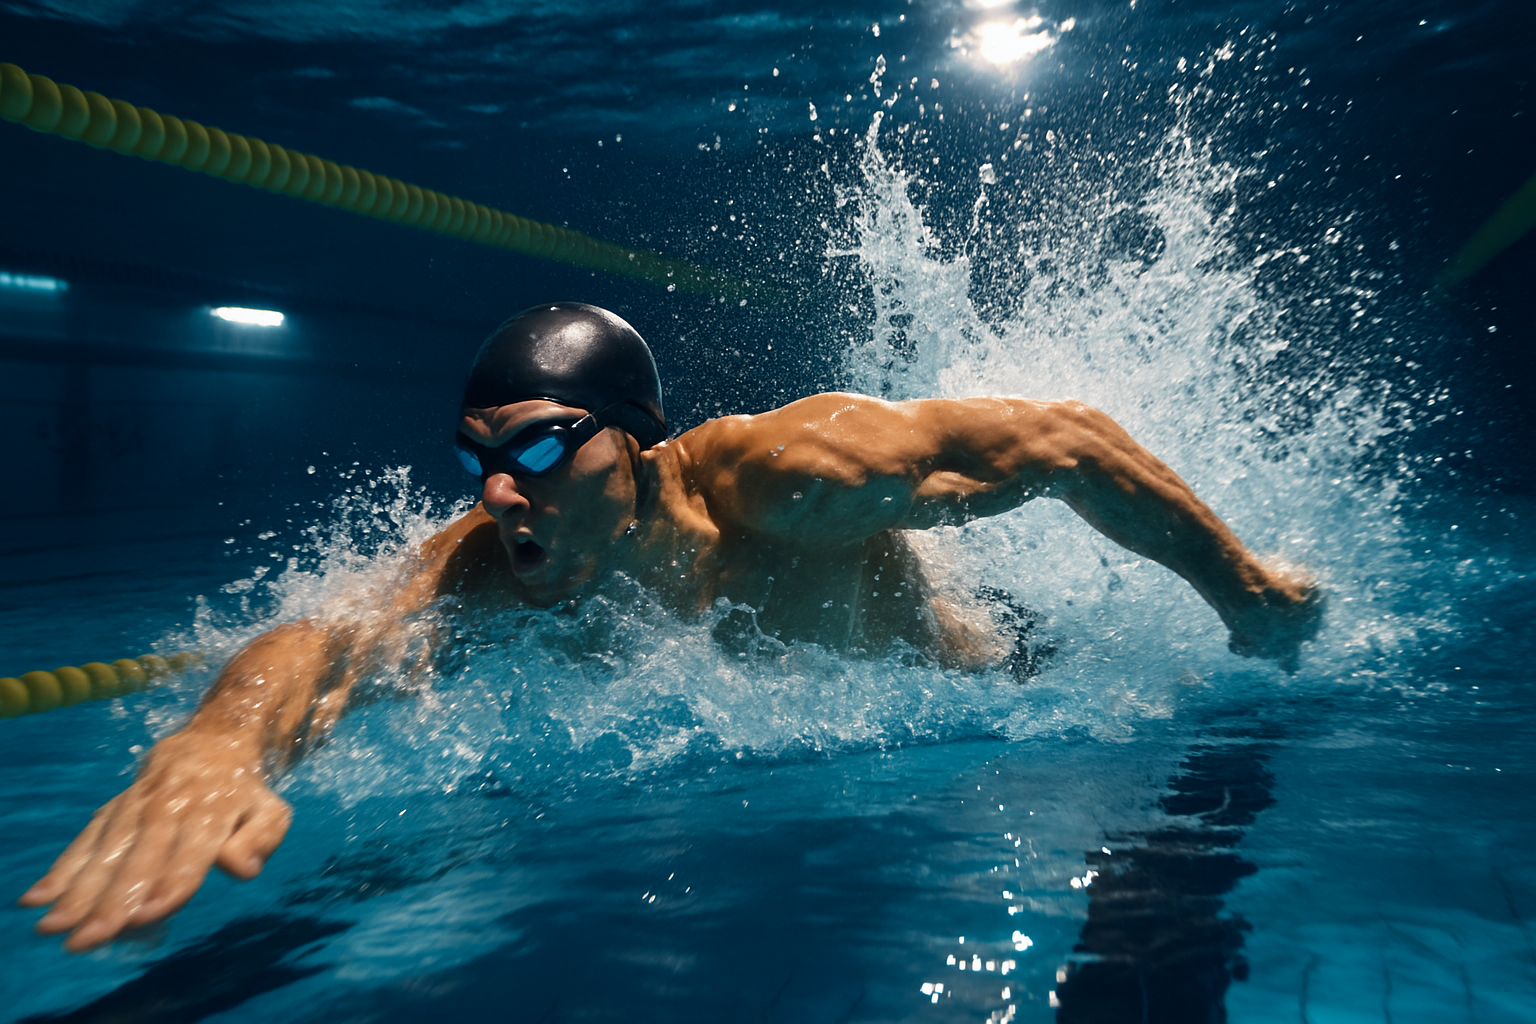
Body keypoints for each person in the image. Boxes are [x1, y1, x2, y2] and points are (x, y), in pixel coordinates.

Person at [19, 302, 1322, 951]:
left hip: (993, 672)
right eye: (480, 456)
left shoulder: (796, 481)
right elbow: (330, 639)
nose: (500, 491)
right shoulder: (493, 561)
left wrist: (1247, 595)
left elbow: (1067, 443)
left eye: (540, 445)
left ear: (635, 450)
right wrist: (219, 740)